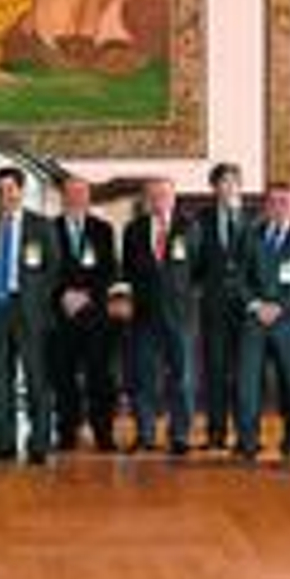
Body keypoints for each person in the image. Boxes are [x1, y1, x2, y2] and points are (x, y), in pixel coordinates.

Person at [235, 182, 290, 465]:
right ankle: (248, 443)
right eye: (274, 201)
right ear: (266, 206)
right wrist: (257, 305)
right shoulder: (250, 236)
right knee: (247, 386)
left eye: (286, 202)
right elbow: (240, 277)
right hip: (254, 322)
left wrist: (280, 306)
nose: (280, 207)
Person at [0, 167, 59, 464]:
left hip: (31, 314)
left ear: (21, 190)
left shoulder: (41, 225)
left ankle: (39, 442)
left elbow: (52, 269)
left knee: (37, 379)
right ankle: (4, 441)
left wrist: (35, 303)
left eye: (10, 189)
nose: (5, 195)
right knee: (1, 380)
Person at [121, 177, 196, 454]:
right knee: (143, 378)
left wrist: (185, 298)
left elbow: (198, 269)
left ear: (174, 197)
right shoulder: (133, 230)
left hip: (181, 316)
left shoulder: (190, 227)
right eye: (153, 195)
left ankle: (180, 435)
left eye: (164, 194)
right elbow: (127, 272)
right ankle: (146, 434)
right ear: (145, 200)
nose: (159, 200)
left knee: (182, 377)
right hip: (144, 314)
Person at [50, 175, 119, 452]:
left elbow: (110, 270)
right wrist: (62, 295)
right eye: (71, 193)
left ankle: (103, 433)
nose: (76, 198)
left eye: (82, 193)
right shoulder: (49, 228)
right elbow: (44, 271)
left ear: (89, 198)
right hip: (61, 317)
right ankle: (68, 433)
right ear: (62, 197)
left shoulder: (103, 229)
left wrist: (88, 295)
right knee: (63, 378)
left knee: (100, 378)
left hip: (95, 318)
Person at [191, 162, 250, 452]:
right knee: (215, 370)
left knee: (244, 372)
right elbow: (193, 262)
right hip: (212, 306)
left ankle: (245, 435)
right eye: (223, 182)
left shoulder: (254, 219)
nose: (228, 187)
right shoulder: (200, 219)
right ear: (214, 188)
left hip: (245, 308)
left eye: (233, 182)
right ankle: (216, 433)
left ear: (240, 186)